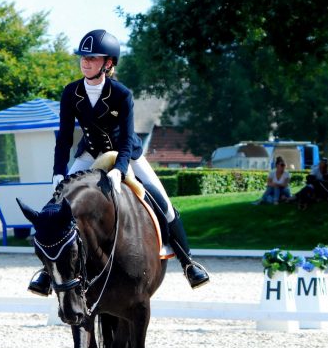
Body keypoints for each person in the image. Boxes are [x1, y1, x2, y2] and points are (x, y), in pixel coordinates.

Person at [27, 30, 209, 296]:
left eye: (92, 58)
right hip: (89, 153)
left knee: (162, 200)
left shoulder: (121, 94)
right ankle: (47, 271)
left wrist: (120, 170)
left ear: (108, 63)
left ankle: (188, 262)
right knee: (55, 204)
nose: (85, 62)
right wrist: (58, 172)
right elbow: (64, 137)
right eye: (83, 57)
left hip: (126, 154)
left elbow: (126, 139)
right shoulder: (71, 93)